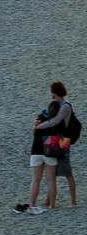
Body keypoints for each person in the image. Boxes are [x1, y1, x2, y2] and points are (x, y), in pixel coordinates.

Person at [19, 81, 76, 212]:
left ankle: (73, 201)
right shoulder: (56, 107)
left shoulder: (65, 106)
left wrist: (37, 127)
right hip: (53, 142)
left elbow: (55, 121)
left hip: (61, 141)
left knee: (67, 172)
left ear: (54, 92)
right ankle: (49, 202)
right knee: (52, 175)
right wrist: (35, 125)